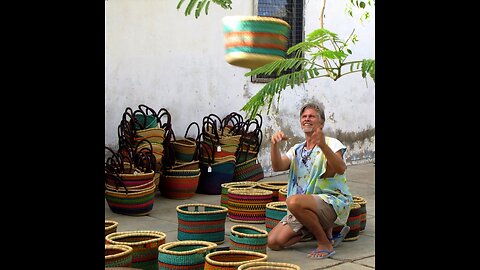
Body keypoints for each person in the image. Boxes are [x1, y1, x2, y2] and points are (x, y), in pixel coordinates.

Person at [267, 102, 353, 259]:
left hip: (330, 202)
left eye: (312, 116)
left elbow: (339, 168)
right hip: (303, 206)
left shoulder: (332, 144)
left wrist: (322, 145)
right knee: (274, 242)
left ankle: (324, 242)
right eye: (304, 116)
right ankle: (318, 229)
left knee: (292, 202)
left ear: (321, 122)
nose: (307, 119)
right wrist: (274, 145)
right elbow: (278, 166)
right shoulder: (297, 149)